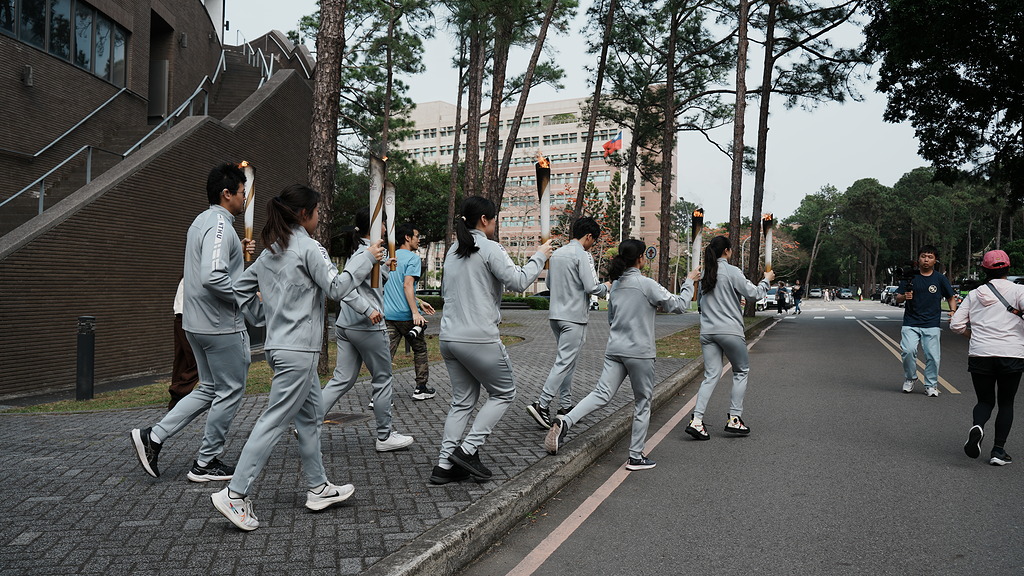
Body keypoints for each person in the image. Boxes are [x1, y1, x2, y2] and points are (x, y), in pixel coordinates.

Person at [211, 184, 384, 531]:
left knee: (309, 419)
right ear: (305, 214)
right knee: (274, 421)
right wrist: (366, 257)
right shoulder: (308, 248)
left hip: (281, 348)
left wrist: (261, 315)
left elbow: (240, 289)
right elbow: (337, 288)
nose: (319, 217)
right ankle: (234, 493)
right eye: (317, 211)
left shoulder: (271, 251)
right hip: (299, 351)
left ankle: (318, 487)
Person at [131, 162, 256, 482]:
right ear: (226, 194)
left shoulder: (202, 221)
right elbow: (213, 275)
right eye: (242, 192)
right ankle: (206, 461)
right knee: (230, 390)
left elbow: (212, 263)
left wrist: (237, 252)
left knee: (211, 388)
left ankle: (153, 436)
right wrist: (243, 295)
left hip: (196, 323)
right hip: (219, 325)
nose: (245, 198)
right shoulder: (220, 225)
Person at [429, 196, 553, 485]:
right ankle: (468, 450)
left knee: (462, 401)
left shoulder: (453, 251)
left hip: (449, 338)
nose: (496, 223)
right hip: (479, 339)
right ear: (484, 220)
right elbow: (518, 282)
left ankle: (444, 465)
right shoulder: (489, 248)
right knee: (504, 392)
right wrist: (540, 256)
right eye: (495, 219)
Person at [544, 239, 698, 470]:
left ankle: (566, 420)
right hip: (640, 352)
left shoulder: (615, 286)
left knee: (601, 394)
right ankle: (635, 456)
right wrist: (688, 282)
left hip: (615, 349)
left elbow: (611, 319)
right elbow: (679, 305)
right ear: (640, 258)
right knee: (642, 401)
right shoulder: (646, 284)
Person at [321, 207, 415, 452]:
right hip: (366, 326)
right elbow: (343, 288)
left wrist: (384, 268)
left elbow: (366, 283)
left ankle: (308, 423)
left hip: (347, 325)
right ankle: (385, 436)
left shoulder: (366, 252)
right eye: (383, 224)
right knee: (382, 379)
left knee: (342, 379)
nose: (386, 228)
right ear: (374, 227)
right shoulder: (365, 253)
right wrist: (367, 310)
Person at [685, 236, 773, 440]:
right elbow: (754, 294)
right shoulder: (732, 271)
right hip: (730, 330)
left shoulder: (705, 273)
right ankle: (734, 418)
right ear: (726, 251)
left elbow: (701, 303)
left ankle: (697, 420)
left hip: (708, 331)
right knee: (741, 371)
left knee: (711, 375)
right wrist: (766, 280)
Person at [526, 217, 610, 430]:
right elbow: (592, 286)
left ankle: (565, 406)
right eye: (594, 240)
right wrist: (607, 287)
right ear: (588, 236)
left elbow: (549, 283)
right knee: (564, 362)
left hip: (556, 315)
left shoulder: (557, 254)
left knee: (567, 362)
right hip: (574, 318)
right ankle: (542, 404)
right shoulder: (583, 255)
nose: (592, 245)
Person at [950, 250, 1024, 466]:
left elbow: (956, 325)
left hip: (981, 353)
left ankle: (978, 426)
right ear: (1008, 268)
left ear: (984, 270)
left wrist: (974, 336)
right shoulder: (1019, 290)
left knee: (984, 401)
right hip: (1011, 354)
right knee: (1006, 403)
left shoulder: (974, 294)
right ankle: (998, 451)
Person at [383, 222, 437, 401]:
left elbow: (396, 287)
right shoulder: (413, 259)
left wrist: (420, 302)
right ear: (407, 237)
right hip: (406, 317)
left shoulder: (388, 257)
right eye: (417, 236)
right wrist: (415, 312)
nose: (418, 240)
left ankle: (379, 394)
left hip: (388, 316)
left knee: (386, 355)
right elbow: (407, 285)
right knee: (420, 350)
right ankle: (421, 388)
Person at [895, 245, 957, 396]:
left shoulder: (940, 279)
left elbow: (951, 297)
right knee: (908, 351)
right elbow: (898, 298)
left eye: (930, 257)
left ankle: (931, 384)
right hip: (911, 322)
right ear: (918, 259)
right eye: (923, 256)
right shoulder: (910, 276)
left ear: (935, 260)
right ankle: (910, 378)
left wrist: (953, 311)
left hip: (931, 323)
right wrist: (904, 297)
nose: (926, 260)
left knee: (932, 356)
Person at [168, 277, 199, 409]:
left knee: (182, 360)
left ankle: (176, 402)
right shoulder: (194, 272)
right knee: (199, 359)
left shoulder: (189, 273)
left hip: (181, 317)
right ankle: (179, 390)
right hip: (189, 318)